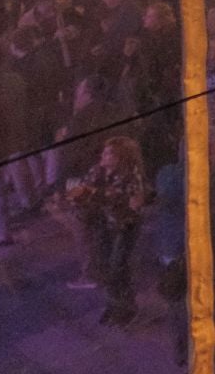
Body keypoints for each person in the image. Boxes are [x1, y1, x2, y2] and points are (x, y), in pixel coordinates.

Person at [67, 135, 148, 324]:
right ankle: (112, 305)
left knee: (118, 266)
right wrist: (78, 195)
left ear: (121, 157)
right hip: (102, 224)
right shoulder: (97, 171)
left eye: (109, 153)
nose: (103, 156)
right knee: (104, 265)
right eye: (104, 152)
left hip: (124, 226)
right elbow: (83, 188)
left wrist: (91, 192)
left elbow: (118, 196)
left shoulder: (131, 174)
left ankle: (127, 307)